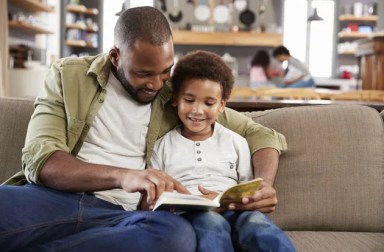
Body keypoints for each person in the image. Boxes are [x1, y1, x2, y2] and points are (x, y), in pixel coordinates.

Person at [0, 6, 286, 251]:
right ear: (115, 56)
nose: (156, 84)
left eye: (165, 71)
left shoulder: (176, 96)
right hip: (52, 201)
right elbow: (42, 160)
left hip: (126, 217)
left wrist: (263, 186)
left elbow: (260, 134)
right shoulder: (68, 76)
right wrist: (125, 176)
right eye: (144, 73)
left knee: (177, 237)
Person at [150, 50, 295, 252]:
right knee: (210, 224)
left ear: (221, 105)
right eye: (189, 100)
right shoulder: (162, 146)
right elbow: (155, 197)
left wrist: (231, 200)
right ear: (175, 99)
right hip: (191, 213)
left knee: (258, 224)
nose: (197, 110)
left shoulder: (236, 142)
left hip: (234, 209)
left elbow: (247, 187)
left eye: (208, 103)